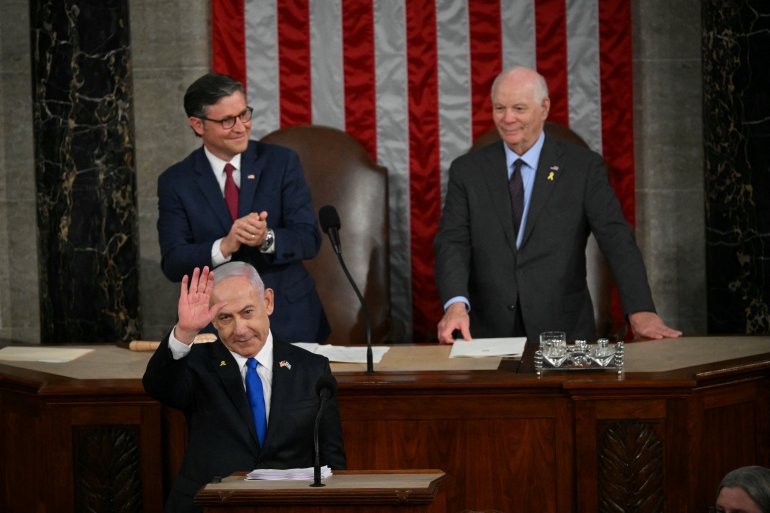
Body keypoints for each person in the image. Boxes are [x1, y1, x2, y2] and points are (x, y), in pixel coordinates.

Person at [434, 66, 682, 343]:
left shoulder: (583, 168)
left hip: (563, 330)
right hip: (486, 332)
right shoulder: (467, 170)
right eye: (499, 108)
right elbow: (452, 241)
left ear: (544, 108)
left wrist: (641, 309)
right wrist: (455, 304)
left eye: (519, 108)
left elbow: (616, 239)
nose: (507, 119)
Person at [143, 262, 346, 513]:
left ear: (268, 302)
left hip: (288, 506)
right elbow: (157, 387)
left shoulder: (312, 369)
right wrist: (184, 332)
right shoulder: (196, 364)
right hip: (209, 505)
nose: (240, 330)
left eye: (247, 312)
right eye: (225, 317)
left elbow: (333, 460)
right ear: (213, 320)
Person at [157, 72, 329, 343]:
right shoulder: (176, 181)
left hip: (290, 319)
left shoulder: (281, 163)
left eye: (244, 115)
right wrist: (223, 247)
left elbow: (309, 239)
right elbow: (174, 263)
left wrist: (266, 238)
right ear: (198, 125)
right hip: (217, 327)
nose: (241, 127)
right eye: (227, 120)